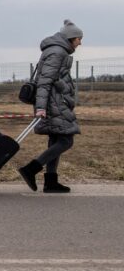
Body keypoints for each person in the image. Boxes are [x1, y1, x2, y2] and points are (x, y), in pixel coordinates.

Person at [18, 20, 84, 193]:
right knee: (66, 140)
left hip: (55, 101)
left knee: (56, 139)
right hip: (53, 103)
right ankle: (30, 169)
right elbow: (44, 82)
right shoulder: (57, 52)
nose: (80, 42)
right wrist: (41, 107)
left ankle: (51, 182)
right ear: (71, 38)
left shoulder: (57, 51)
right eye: (79, 38)